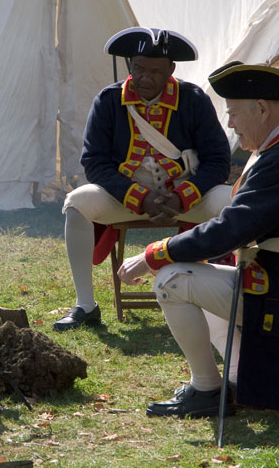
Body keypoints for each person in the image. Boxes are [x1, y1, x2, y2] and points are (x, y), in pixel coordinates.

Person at [118, 61, 279, 417]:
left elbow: (234, 227)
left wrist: (156, 254)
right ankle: (240, 378)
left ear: (261, 108)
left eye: (234, 113)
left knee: (172, 279)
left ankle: (208, 389)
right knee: (191, 274)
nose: (230, 123)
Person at [54, 27, 233, 337]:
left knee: (230, 201)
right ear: (130, 66)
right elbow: (94, 163)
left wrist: (181, 196)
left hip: (184, 198)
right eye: (138, 68)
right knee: (77, 203)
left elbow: (218, 160)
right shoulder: (109, 101)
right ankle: (85, 305)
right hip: (127, 199)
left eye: (154, 71)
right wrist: (138, 197)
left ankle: (226, 297)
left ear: (171, 70)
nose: (145, 77)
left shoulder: (192, 99)